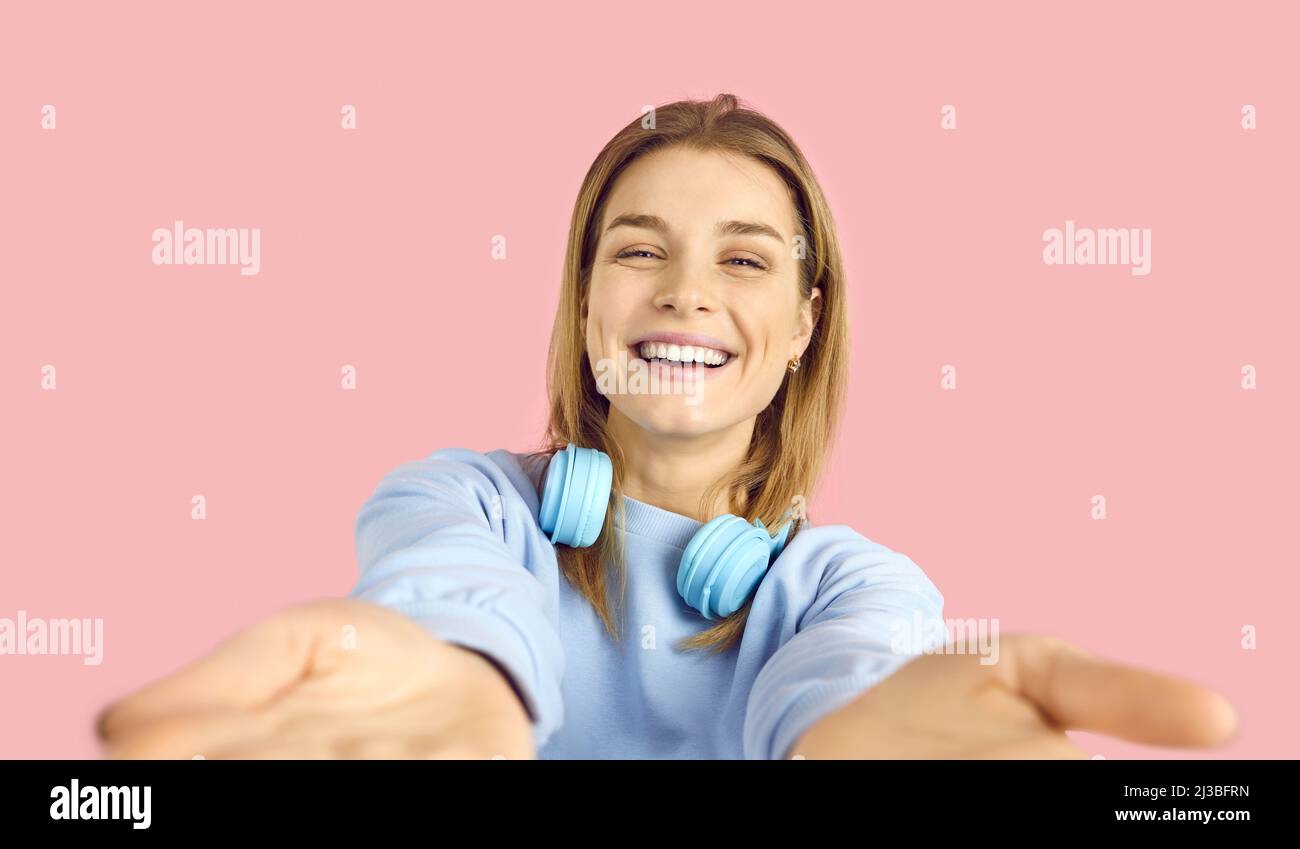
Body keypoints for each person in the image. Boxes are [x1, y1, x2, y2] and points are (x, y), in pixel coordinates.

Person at [96, 94, 1237, 759]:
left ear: (800, 325)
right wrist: (458, 667)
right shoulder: (464, 502)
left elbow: (857, 674)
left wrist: (855, 732)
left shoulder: (851, 585)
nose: (686, 294)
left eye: (742, 260)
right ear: (586, 299)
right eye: (639, 251)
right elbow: (448, 586)